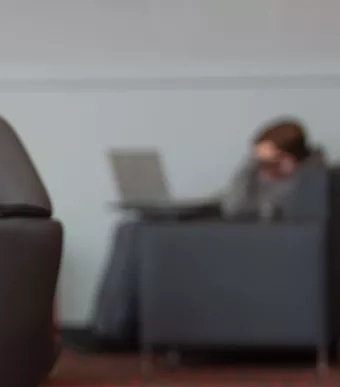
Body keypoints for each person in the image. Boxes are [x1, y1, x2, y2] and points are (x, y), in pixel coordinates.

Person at [88, 117, 328, 346]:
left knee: (142, 232)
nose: (261, 167)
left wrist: (278, 175)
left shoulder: (306, 180)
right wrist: (250, 166)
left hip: (234, 237)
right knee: (131, 227)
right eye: (257, 160)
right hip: (222, 220)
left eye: (266, 162)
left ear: (289, 159)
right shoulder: (258, 172)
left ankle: (112, 330)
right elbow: (232, 202)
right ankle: (110, 326)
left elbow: (249, 212)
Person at [220, 118, 328, 221]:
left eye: (268, 162)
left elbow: (286, 213)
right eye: (259, 161)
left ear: (290, 160)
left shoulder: (315, 181)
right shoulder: (255, 173)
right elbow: (232, 208)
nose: (262, 169)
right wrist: (251, 163)